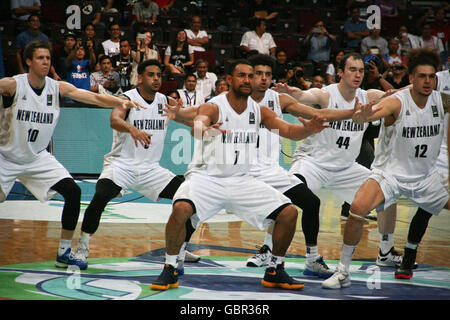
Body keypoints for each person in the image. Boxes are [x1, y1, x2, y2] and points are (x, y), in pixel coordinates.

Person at [150, 58, 329, 291]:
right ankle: (170, 267)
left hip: (242, 180)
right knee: (181, 208)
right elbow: (198, 123)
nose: (248, 80)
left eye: (250, 75)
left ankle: (275, 269)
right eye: (242, 75)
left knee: (288, 212)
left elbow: (289, 131)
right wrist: (205, 129)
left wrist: (307, 129)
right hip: (206, 178)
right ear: (229, 80)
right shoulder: (214, 106)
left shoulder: (260, 111)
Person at [0, 40, 143, 270]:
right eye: (40, 58)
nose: (45, 62)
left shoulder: (57, 87)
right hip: (6, 157)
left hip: (37, 157)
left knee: (73, 191)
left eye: (47, 58)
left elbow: (94, 98)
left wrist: (121, 101)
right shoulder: (13, 85)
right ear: (28, 61)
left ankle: (64, 251)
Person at [322, 48, 450, 288]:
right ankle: (342, 271)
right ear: (411, 78)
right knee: (358, 208)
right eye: (421, 76)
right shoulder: (395, 102)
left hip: (425, 176)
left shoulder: (441, 101)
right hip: (390, 174)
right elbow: (370, 116)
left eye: (431, 76)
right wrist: (363, 117)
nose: (427, 81)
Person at [274, 52, 402, 271]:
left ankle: (386, 250)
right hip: (313, 163)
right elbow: (306, 96)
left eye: (361, 71)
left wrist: (409, 87)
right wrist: (292, 93)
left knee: (387, 195)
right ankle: (268, 250)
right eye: (352, 69)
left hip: (345, 167)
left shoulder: (368, 95)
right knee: (286, 198)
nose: (357, 74)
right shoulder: (326, 95)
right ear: (340, 73)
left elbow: (398, 94)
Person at [68, 59, 199, 269]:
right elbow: (115, 120)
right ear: (140, 78)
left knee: (193, 200)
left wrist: (207, 126)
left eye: (159, 75)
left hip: (151, 170)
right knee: (100, 196)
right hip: (121, 165)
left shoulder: (165, 101)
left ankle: (180, 248)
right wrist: (133, 129)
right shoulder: (127, 98)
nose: (156, 79)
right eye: (151, 75)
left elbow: (187, 120)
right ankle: (81, 249)